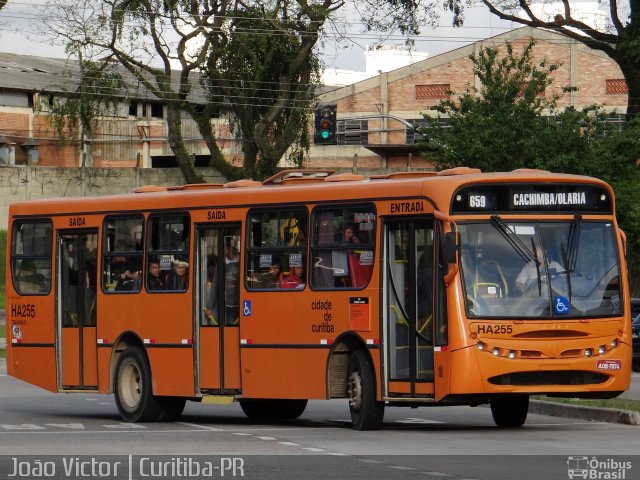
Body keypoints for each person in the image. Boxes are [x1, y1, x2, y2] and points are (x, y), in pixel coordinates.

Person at [224, 243, 240, 324]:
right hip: (228, 302)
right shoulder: (221, 263)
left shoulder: (243, 259)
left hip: (242, 301)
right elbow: (216, 284)